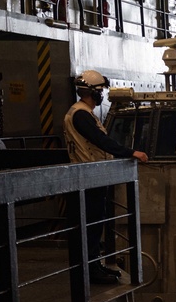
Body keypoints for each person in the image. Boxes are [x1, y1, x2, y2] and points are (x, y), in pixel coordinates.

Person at [63, 69, 148, 284]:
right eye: (100, 91)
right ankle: (90, 271)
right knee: (91, 224)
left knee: (95, 223)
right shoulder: (81, 114)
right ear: (94, 93)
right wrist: (131, 152)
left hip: (92, 177)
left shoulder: (81, 112)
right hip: (88, 177)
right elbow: (101, 141)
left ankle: (94, 265)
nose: (102, 95)